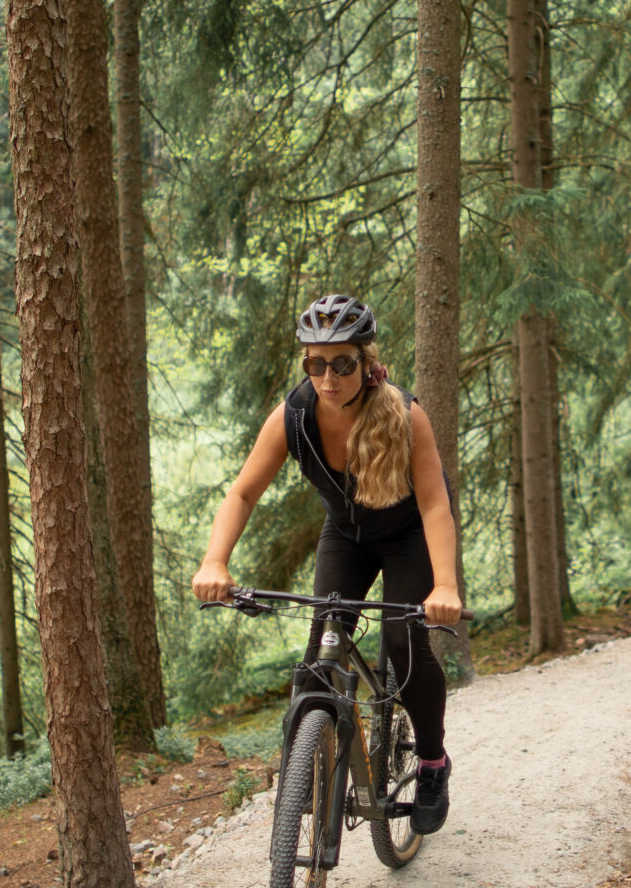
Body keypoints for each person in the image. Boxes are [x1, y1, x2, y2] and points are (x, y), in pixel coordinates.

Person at [191, 294, 464, 832]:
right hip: (346, 536)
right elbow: (243, 493)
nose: (328, 376)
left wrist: (447, 587)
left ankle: (432, 762)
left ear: (367, 363)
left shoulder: (406, 416)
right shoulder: (293, 417)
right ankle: (312, 771)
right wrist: (215, 561)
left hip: (408, 535)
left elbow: (434, 505)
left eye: (342, 363)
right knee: (324, 648)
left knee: (401, 643)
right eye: (315, 363)